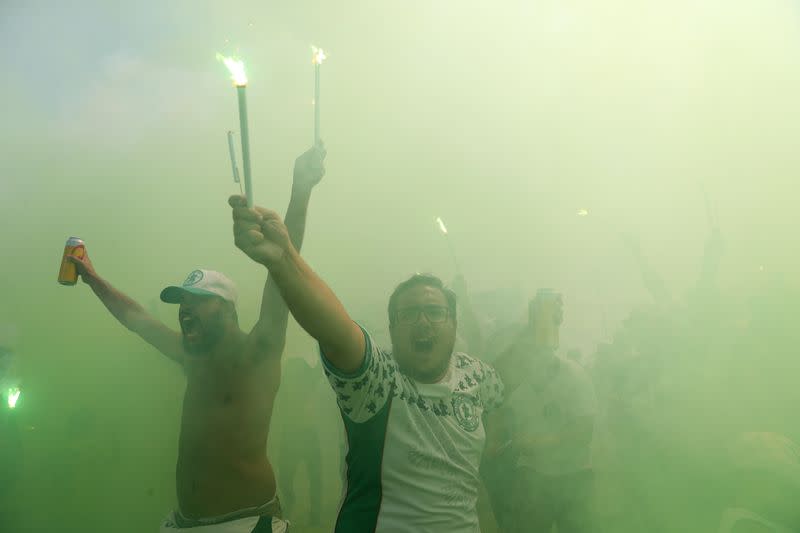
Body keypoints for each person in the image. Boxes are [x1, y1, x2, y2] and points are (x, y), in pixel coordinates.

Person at [68, 146, 326, 532]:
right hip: (185, 523)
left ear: (228, 310)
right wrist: (92, 278)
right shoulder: (191, 355)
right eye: (182, 303)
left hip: (246, 522)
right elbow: (135, 318)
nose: (185, 310)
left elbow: (282, 270)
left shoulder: (260, 350)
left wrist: (301, 189)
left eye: (198, 303)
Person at [229, 201, 504, 533]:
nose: (422, 322)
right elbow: (337, 332)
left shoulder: (478, 376)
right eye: (409, 313)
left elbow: (488, 450)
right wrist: (285, 260)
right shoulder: (378, 380)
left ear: (453, 324)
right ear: (391, 329)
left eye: (434, 311)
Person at [493, 290, 597, 533]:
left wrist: (539, 442)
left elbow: (584, 432)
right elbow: (499, 416)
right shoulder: (516, 386)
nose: (530, 357)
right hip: (531, 476)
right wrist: (498, 439)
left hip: (573, 476)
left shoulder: (574, 376)